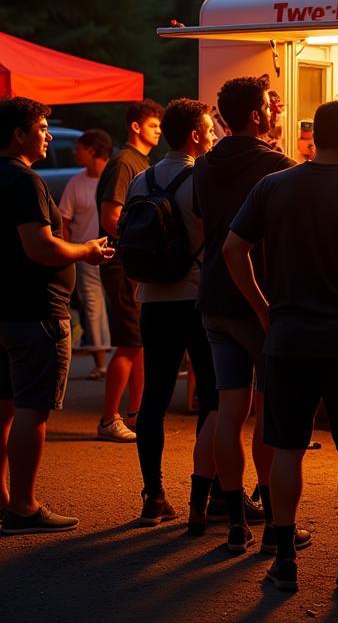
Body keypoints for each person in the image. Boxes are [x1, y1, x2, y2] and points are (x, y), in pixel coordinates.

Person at [223, 100, 338, 591]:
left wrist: (262, 307)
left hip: (287, 340)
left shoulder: (273, 187)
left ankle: (283, 559)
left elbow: (232, 249)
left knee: (286, 448)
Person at [0, 97, 112, 533]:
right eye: (43, 127)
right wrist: (87, 251)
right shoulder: (24, 181)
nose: (49, 134)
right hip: (34, 313)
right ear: (20, 134)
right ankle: (24, 507)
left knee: (1, 406)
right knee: (32, 410)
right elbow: (41, 247)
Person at [195, 75, 309, 554]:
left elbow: (206, 223)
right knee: (267, 409)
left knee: (227, 409)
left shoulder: (204, 165)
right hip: (258, 299)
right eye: (268, 105)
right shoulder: (277, 167)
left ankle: (237, 522)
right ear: (256, 115)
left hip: (214, 297)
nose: (273, 110)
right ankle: (272, 516)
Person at [126, 99, 221, 531]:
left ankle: (154, 496)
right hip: (196, 299)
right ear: (195, 135)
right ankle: (208, 493)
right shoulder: (202, 178)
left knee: (154, 399)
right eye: (209, 129)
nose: (214, 135)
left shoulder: (140, 180)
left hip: (152, 299)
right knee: (214, 397)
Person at [95, 99, 163, 442]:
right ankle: (109, 418)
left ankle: (136, 413)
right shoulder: (124, 162)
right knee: (128, 341)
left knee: (138, 342)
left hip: (134, 263)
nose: (159, 131)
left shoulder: (140, 161)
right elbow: (111, 217)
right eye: (153, 125)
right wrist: (137, 248)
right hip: (123, 263)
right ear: (136, 127)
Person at [59, 129, 113, 380]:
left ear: (92, 150)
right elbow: (64, 221)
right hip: (85, 253)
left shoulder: (116, 176)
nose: (74, 152)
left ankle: (127, 356)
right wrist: (68, 252)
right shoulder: (75, 183)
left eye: (79, 147)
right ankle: (101, 362)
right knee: (93, 305)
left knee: (121, 305)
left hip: (114, 252)